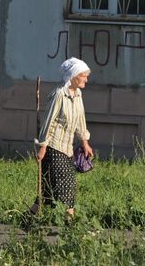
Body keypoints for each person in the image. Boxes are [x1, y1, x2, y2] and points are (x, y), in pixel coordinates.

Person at [31, 57, 94, 219]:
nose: (86, 79)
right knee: (68, 187)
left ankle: (27, 221)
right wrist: (42, 146)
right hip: (53, 148)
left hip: (67, 149)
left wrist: (84, 142)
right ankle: (70, 227)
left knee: (46, 191)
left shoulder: (77, 94)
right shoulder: (59, 94)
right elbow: (48, 121)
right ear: (73, 76)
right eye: (83, 76)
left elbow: (80, 120)